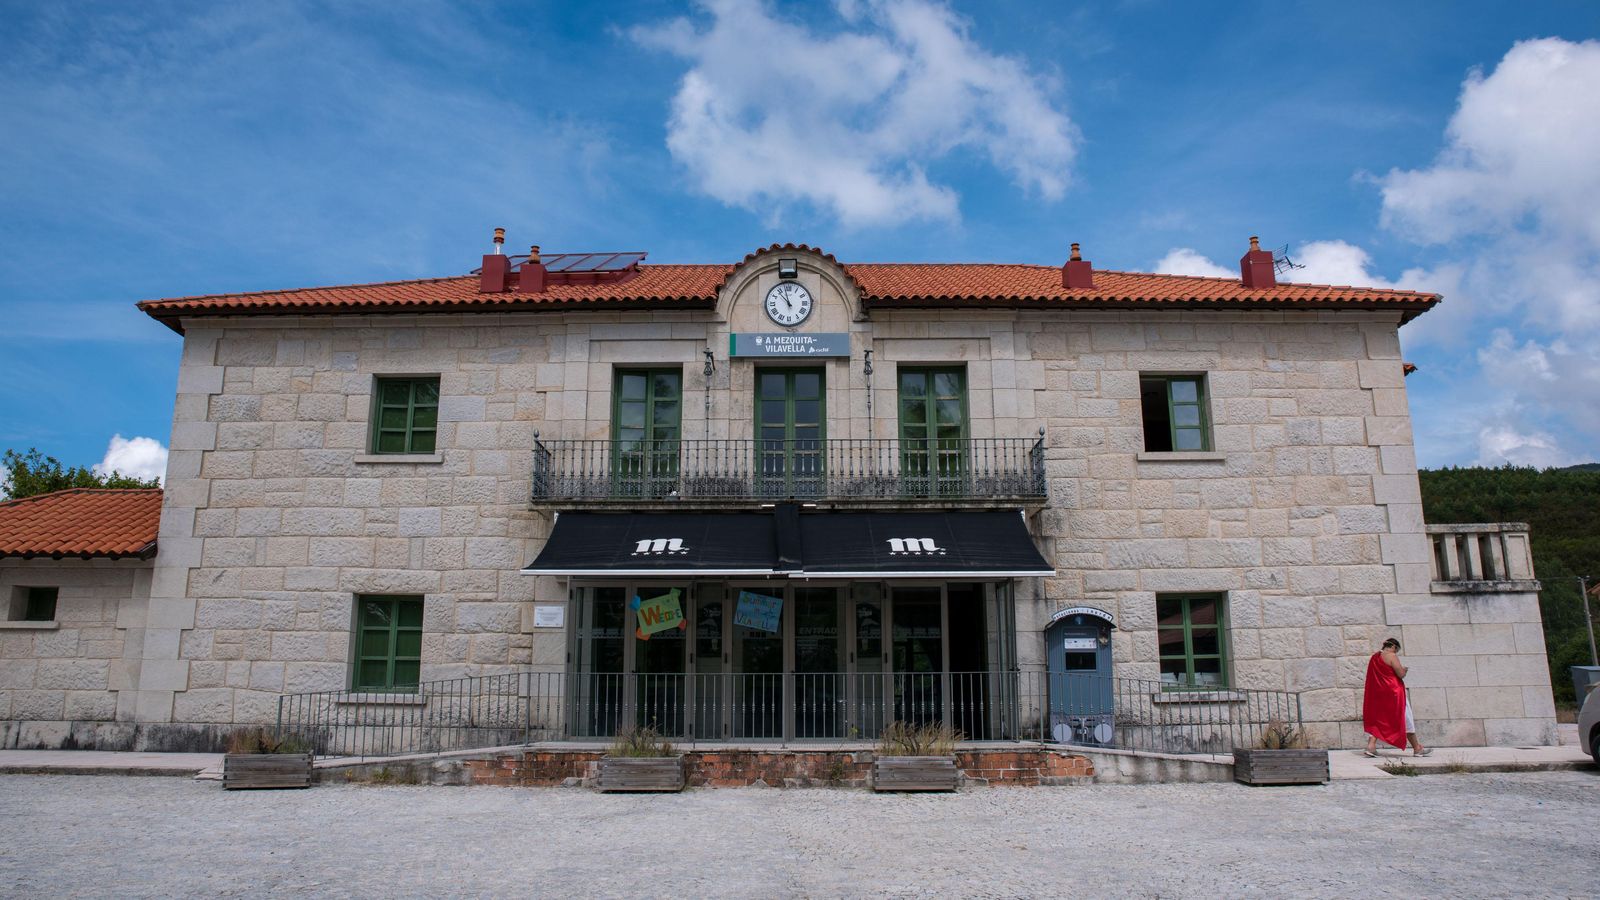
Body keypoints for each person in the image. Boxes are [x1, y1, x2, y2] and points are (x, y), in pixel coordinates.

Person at [1362, 638, 1431, 758]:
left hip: (1380, 693)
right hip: (1394, 693)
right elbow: (1400, 674)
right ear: (1393, 647)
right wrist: (1404, 670)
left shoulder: (1374, 657)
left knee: (1380, 719)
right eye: (1397, 650)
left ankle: (1371, 746)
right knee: (1406, 718)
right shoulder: (1391, 656)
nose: (1396, 652)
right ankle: (1417, 748)